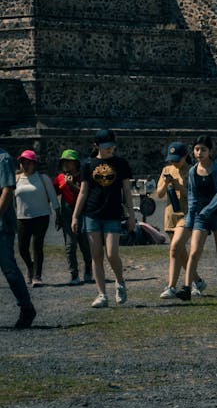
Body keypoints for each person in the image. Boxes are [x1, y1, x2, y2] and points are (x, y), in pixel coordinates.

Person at [72, 129, 135, 308]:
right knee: (96, 255)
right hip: (92, 213)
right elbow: (83, 192)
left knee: (111, 253)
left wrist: (131, 215)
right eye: (106, 147)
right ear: (96, 146)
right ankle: (101, 294)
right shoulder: (87, 164)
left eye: (112, 146)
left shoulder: (121, 163)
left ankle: (120, 282)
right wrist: (75, 216)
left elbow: (127, 192)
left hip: (113, 214)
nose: (110, 150)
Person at [176, 135, 217, 301]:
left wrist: (207, 210)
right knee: (194, 251)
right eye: (196, 149)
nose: (199, 152)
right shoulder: (193, 171)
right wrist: (190, 218)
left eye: (203, 149)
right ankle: (186, 288)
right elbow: (193, 196)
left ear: (210, 151)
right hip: (200, 216)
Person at [156, 141, 205, 299]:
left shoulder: (192, 171)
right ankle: (198, 281)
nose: (173, 162)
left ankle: (171, 286)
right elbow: (160, 194)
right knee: (180, 252)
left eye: (177, 159)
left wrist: (178, 185)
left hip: (186, 215)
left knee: (175, 247)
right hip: (171, 216)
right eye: (171, 159)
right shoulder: (166, 170)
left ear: (185, 157)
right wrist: (166, 183)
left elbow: (192, 195)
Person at [0, 145, 36, 328]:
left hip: (2, 225)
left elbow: (7, 190)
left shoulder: (3, 158)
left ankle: (26, 307)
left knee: (9, 269)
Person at [14, 149, 59, 287]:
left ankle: (37, 277)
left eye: (29, 162)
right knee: (22, 248)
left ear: (34, 164)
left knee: (37, 246)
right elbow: (11, 198)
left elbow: (53, 196)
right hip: (22, 218)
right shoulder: (15, 179)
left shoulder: (43, 178)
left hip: (41, 216)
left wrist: (58, 214)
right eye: (23, 162)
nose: (25, 165)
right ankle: (31, 267)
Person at [53, 149, 93, 285]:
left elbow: (85, 193)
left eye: (69, 161)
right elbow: (53, 195)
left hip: (83, 213)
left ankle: (88, 270)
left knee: (85, 245)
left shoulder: (84, 177)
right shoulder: (60, 178)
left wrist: (71, 184)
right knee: (70, 246)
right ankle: (74, 275)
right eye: (64, 161)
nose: (66, 164)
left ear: (76, 163)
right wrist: (57, 215)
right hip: (67, 214)